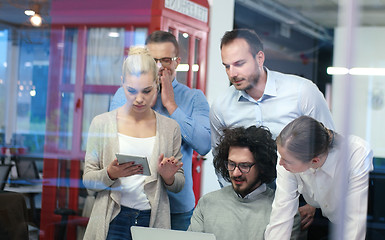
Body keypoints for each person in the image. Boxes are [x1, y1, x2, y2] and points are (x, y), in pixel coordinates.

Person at [210, 28, 335, 233]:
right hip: (249, 203)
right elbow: (221, 159)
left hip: (299, 200)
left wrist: (314, 202)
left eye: (239, 63)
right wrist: (233, 201)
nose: (232, 73)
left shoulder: (302, 92)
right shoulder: (221, 106)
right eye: (227, 66)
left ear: (259, 58)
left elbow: (328, 147)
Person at [109, 31, 211, 230]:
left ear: (176, 62)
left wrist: (171, 105)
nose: (158, 66)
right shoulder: (124, 93)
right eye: (152, 60)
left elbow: (204, 145)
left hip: (176, 207)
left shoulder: (194, 97)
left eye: (165, 60)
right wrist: (147, 100)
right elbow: (114, 139)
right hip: (131, 203)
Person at [83, 47, 185, 240]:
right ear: (122, 83)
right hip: (112, 218)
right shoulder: (102, 123)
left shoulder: (170, 128)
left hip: (152, 219)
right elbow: (88, 181)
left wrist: (169, 177)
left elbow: (178, 184)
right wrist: (110, 174)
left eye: (147, 91)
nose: (139, 99)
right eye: (131, 90)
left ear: (157, 83)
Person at [264, 116, 374, 240]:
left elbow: (354, 224)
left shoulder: (355, 153)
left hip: (365, 223)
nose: (280, 164)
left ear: (314, 160)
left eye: (287, 161)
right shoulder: (287, 154)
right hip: (321, 219)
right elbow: (282, 212)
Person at [188, 126, 300, 240]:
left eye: (244, 166)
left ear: (262, 166)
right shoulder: (207, 203)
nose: (236, 173)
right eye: (231, 164)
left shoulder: (284, 210)